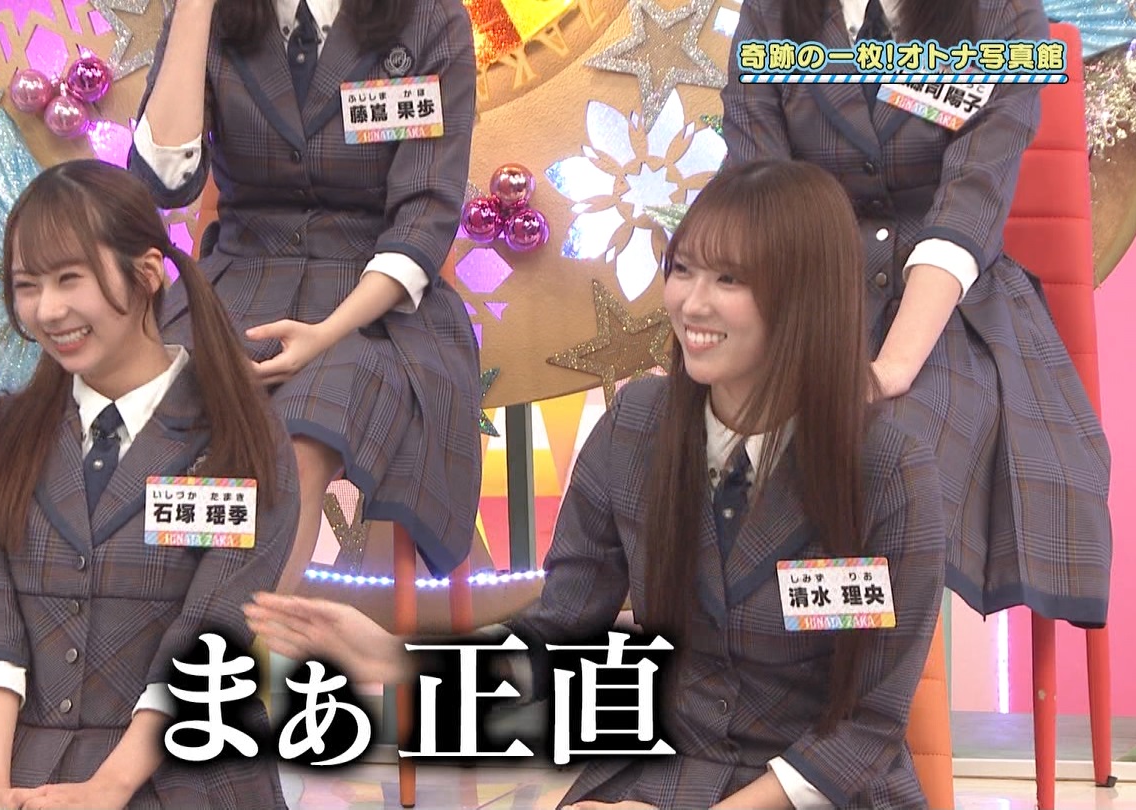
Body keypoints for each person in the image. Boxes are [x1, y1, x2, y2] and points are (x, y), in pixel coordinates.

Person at [245, 160, 949, 810]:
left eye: (729, 281)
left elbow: (866, 729)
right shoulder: (637, 427)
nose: (692, 304)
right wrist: (391, 658)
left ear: (805, 299)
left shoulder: (887, 468)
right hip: (671, 774)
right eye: (683, 270)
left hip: (818, 791)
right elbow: (563, 635)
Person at [0, 161, 299, 810]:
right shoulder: (3, 439)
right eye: (27, 286)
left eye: (69, 278)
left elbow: (210, 631)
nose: (48, 311)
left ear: (148, 273)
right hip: (7, 750)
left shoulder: (239, 437)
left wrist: (108, 787)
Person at [721, 0, 1112, 627]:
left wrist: (891, 369)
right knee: (700, 443)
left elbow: (971, 201)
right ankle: (770, 659)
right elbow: (757, 194)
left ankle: (852, 675)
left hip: (946, 304)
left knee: (887, 454)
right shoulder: (773, 13)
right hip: (805, 292)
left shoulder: (1001, 15)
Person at [127, 0, 482, 591]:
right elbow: (164, 181)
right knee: (155, 421)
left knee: (297, 445)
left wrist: (326, 334)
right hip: (239, 281)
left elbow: (425, 217)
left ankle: (230, 634)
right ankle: (168, 624)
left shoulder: (429, 17)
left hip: (373, 302)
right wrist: (193, 9)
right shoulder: (207, 17)